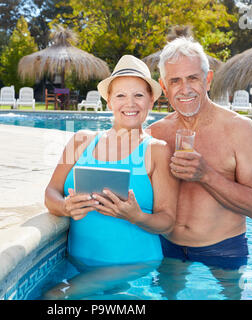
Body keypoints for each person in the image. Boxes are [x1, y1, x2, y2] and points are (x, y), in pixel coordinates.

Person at [44, 55, 179, 298]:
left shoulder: (156, 150)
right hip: (79, 264)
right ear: (109, 101)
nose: (130, 103)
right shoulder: (80, 141)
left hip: (132, 268)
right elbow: (50, 192)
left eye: (139, 95)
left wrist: (136, 216)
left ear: (150, 101)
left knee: (55, 298)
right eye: (121, 95)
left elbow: (168, 220)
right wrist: (65, 207)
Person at [147, 37, 252, 299]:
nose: (185, 88)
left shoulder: (240, 130)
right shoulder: (155, 133)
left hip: (225, 248)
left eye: (193, 78)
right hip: (168, 247)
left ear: (208, 80)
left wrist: (206, 175)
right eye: (175, 81)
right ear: (164, 87)